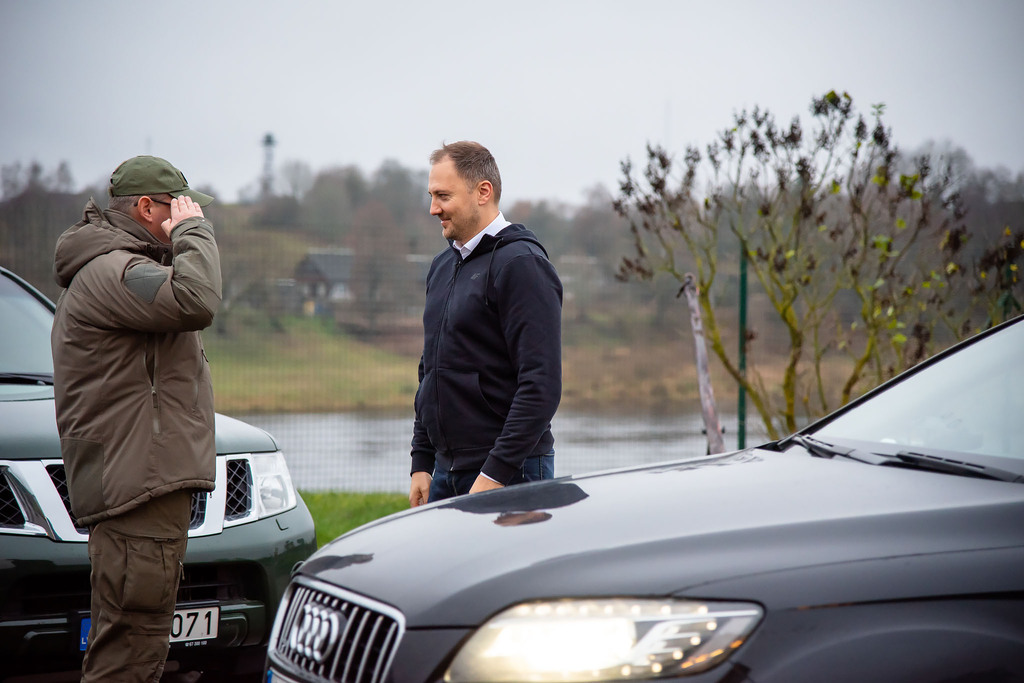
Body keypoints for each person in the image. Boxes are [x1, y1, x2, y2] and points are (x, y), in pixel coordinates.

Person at [51, 155, 221, 682]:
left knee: (136, 641)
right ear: (147, 208)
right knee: (130, 650)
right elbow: (197, 299)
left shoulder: (119, 269)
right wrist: (194, 234)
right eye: (178, 207)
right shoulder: (116, 273)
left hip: (140, 484)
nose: (189, 214)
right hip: (138, 489)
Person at [409, 141, 562, 507]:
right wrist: (422, 461)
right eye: (432, 196)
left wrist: (495, 474)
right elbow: (431, 369)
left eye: (443, 196)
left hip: (512, 473)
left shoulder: (522, 265)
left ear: (483, 192)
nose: (433, 209)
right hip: (445, 471)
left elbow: (541, 384)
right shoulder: (441, 267)